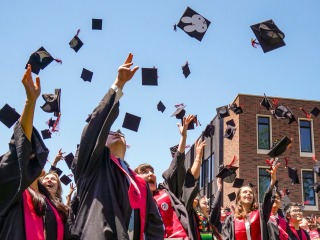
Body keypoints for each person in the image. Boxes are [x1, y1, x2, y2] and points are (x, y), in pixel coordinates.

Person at [69, 53, 164, 239]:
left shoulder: (140, 183)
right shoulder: (93, 165)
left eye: (121, 133)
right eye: (111, 132)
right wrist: (118, 84)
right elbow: (94, 127)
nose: (117, 132)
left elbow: (154, 227)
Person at [0, 64, 64, 239]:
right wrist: (30, 102)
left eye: (33, 155)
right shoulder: (12, 193)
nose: (28, 156)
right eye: (26, 154)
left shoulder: (55, 205)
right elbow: (18, 148)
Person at [135, 115, 204, 239]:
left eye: (152, 171)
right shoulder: (135, 202)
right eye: (145, 172)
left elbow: (175, 167)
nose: (151, 174)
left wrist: (183, 137)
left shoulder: (165, 191)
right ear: (136, 178)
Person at [222, 163, 280, 240]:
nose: (248, 193)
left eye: (250, 192)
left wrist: (272, 181)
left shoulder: (260, 213)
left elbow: (267, 200)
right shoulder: (231, 219)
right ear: (239, 198)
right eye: (245, 192)